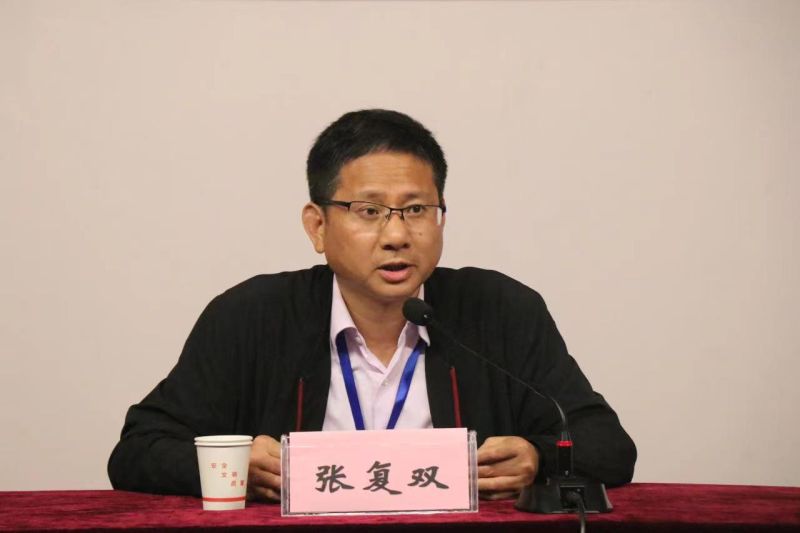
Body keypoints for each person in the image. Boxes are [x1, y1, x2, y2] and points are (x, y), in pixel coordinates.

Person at [108, 109, 636, 502]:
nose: (397, 235)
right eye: (369, 211)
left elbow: (607, 444)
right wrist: (233, 463)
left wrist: (538, 458)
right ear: (318, 226)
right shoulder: (252, 316)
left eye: (417, 209)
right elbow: (138, 450)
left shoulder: (500, 310)